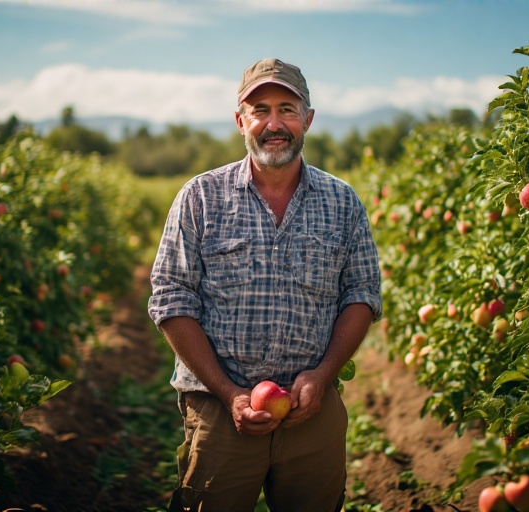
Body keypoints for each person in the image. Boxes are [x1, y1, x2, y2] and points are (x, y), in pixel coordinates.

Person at [148, 57, 382, 512]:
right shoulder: (200, 197)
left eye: (287, 109)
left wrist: (323, 373)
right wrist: (228, 392)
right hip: (219, 412)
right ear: (241, 120)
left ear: (308, 119)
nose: (274, 124)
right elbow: (171, 299)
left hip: (311, 414)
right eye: (260, 110)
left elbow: (362, 295)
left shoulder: (342, 202)